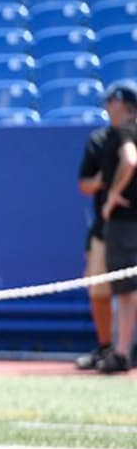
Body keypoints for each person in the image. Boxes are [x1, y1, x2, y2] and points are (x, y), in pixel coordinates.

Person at [98, 81, 137, 374]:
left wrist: (112, 195)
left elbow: (130, 160)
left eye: (110, 101)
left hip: (126, 224)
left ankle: (123, 350)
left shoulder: (124, 131)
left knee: (126, 289)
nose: (106, 107)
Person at [75, 105, 117, 369]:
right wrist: (106, 179)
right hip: (106, 227)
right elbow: (84, 183)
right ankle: (106, 346)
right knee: (99, 288)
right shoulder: (100, 140)